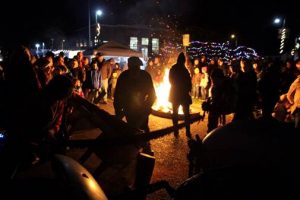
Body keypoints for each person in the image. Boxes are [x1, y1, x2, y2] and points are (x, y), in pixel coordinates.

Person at [113, 56, 156, 133]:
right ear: (129, 67)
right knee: (132, 128)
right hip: (128, 109)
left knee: (143, 127)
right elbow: (118, 95)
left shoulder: (145, 76)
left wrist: (146, 107)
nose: (136, 69)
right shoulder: (124, 77)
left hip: (142, 108)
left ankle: (146, 140)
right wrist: (118, 111)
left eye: (137, 67)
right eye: (134, 67)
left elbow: (152, 95)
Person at [169, 52, 192, 137]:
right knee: (186, 114)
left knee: (175, 113)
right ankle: (188, 131)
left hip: (175, 93)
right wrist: (188, 89)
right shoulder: (185, 70)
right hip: (183, 94)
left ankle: (176, 130)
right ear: (183, 60)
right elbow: (189, 82)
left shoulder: (173, 68)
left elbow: (170, 80)